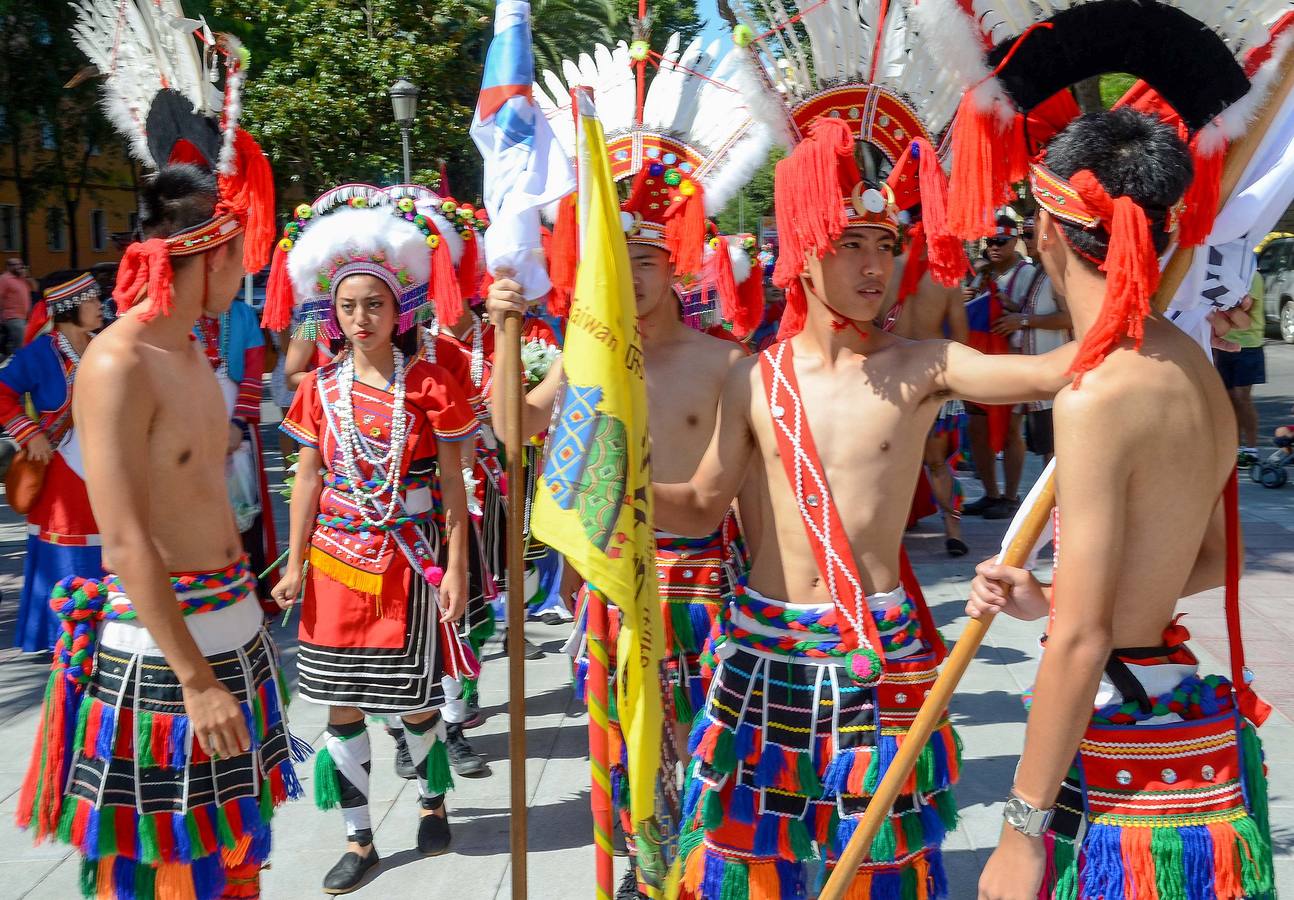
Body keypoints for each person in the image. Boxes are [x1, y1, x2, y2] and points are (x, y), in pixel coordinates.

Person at [649, 117, 1075, 898]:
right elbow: (704, 506)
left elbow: (1051, 376)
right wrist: (621, 495)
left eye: (887, 245)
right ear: (805, 251)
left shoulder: (925, 366)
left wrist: (1128, 288)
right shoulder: (754, 377)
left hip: (877, 650)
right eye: (852, 244)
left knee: (883, 868)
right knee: (744, 866)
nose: (877, 264)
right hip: (763, 649)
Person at [966, 110, 1274, 900]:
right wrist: (1054, 598)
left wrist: (1018, 834)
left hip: (1118, 749)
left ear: (1049, 231)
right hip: (1176, 708)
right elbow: (1211, 558)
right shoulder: (1191, 366)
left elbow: (1083, 640)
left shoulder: (1099, 393)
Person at [266, 190, 477, 894]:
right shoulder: (317, 390)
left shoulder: (431, 386)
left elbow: (452, 487)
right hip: (332, 565)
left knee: (416, 701)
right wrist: (292, 565)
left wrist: (455, 569)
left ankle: (431, 798)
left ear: (400, 309)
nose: (362, 319)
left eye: (375, 305)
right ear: (333, 312)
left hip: (407, 564)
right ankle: (359, 839)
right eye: (350, 306)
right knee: (341, 704)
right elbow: (305, 481)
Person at [0, 272, 104, 651]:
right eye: (91, 299)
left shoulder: (104, 346)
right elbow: (2, 392)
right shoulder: (40, 353)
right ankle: (66, 635)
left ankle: (104, 630)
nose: (99, 305)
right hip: (60, 468)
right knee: (69, 548)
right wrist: (29, 433)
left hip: (103, 464)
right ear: (68, 307)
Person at [962, 216, 1036, 519]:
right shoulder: (981, 272)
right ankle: (991, 492)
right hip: (981, 359)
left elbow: (1034, 313)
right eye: (989, 242)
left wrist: (1010, 306)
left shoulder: (1027, 273)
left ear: (1014, 241)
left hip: (1013, 360)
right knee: (978, 426)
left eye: (1000, 242)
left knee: (1010, 431)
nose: (993, 247)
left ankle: (1010, 495)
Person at [993, 216, 1073, 462]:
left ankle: (1057, 502)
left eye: (1031, 235)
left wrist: (1023, 320)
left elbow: (1069, 318)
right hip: (1038, 376)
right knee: (1044, 449)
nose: (1027, 241)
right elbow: (1038, 312)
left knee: (1053, 452)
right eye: (1025, 235)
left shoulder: (1057, 272)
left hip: (1054, 375)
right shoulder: (1039, 270)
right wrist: (1013, 307)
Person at [1215, 271, 1266, 467]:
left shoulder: (1252, 277)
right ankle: (1234, 449)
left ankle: (1252, 449)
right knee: (1228, 399)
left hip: (1248, 345)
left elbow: (1242, 313)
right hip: (1222, 344)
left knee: (1241, 397)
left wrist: (1218, 311)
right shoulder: (1226, 273)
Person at [0, 257, 33, 360]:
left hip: (25, 317)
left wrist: (27, 277)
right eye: (15, 264)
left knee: (16, 345)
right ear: (8, 267)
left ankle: (8, 365)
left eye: (20, 264)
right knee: (22, 344)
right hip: (12, 316)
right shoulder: (4, 279)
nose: (18, 266)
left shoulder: (21, 279)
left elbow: (35, 288)